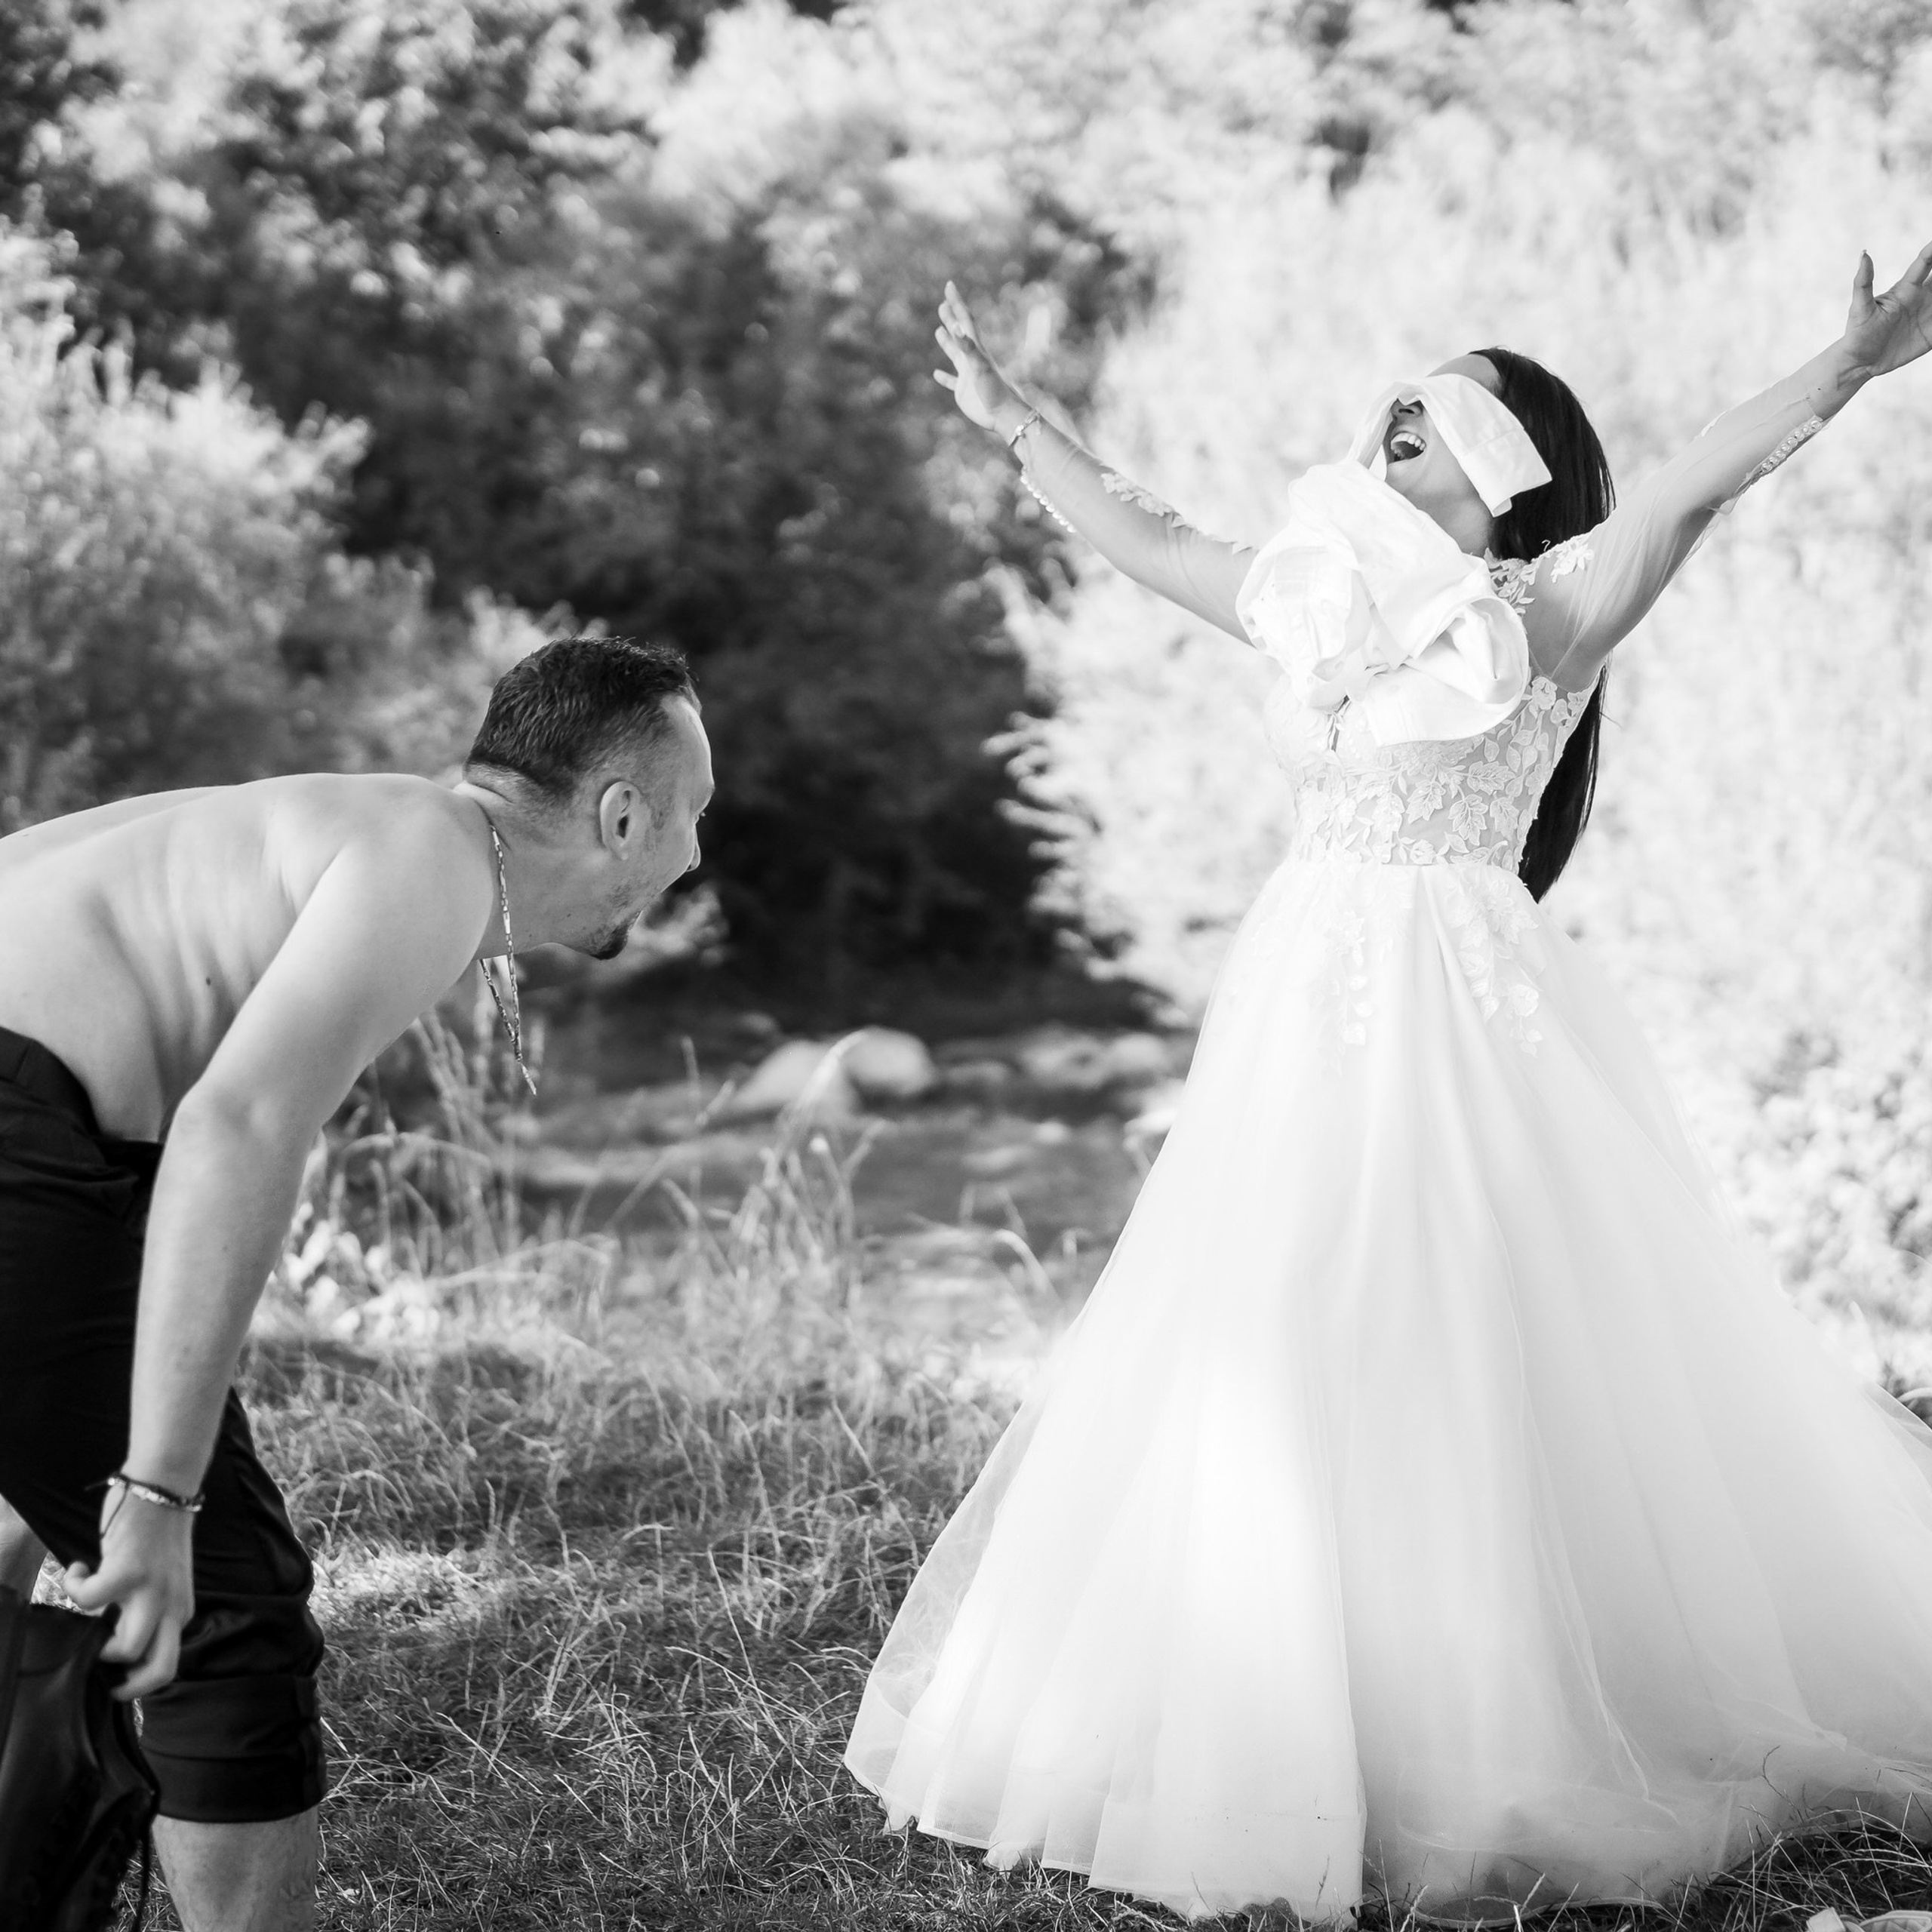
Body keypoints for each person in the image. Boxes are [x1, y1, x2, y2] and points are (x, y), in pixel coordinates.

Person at [844, 248, 1932, 1924]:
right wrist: (1016, 420)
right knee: (1267, 1327)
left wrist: (1844, 362)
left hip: (1461, 1019)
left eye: (1417, 431)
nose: (1383, 445)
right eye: (1386, 424)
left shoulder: (1541, 611)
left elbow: (1703, 471)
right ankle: (1274, 1696)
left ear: (1501, 477)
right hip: (1295, 1012)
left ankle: (1485, 1723)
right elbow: (1139, 535)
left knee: (1457, 1328)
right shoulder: (1307, 603)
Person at [0, 635, 709, 1931]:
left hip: (39, 1110)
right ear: (620, 816)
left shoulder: (391, 830)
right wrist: (155, 1493)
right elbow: (235, 1130)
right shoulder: (431, 867)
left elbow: (161, 1166)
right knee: (220, 1599)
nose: (695, 859)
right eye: (691, 821)